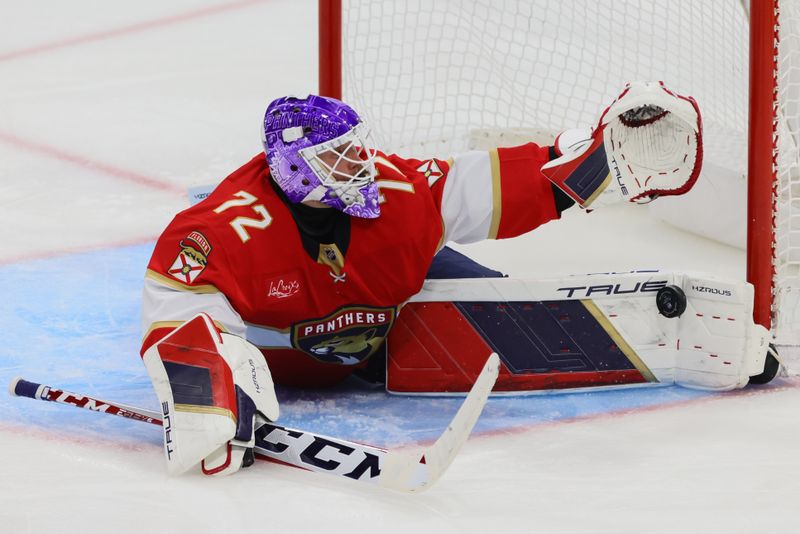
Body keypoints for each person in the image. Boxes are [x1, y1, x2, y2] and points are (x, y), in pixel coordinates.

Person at [139, 82, 702, 475]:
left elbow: (484, 188)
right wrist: (206, 402)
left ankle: (667, 342)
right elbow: (175, 308)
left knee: (499, 308)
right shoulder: (221, 233)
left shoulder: (397, 188)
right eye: (338, 158)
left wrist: (582, 165)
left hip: (387, 301)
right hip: (299, 360)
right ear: (293, 170)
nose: (361, 164)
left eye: (355, 148)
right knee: (212, 362)